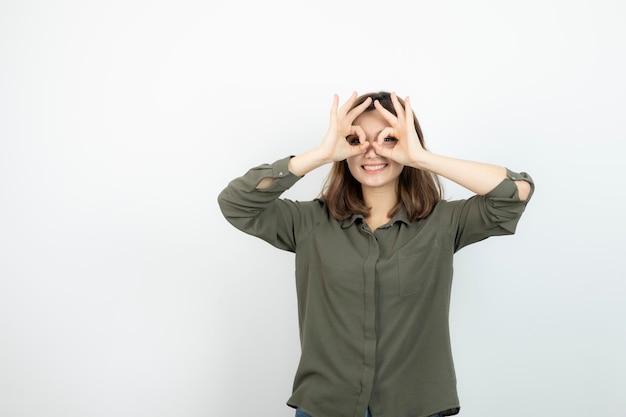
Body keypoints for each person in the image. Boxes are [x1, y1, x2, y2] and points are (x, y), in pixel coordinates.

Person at [218, 91, 534, 417]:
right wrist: (322, 154)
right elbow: (236, 203)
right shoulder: (308, 222)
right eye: (357, 139)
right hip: (324, 407)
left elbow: (515, 192)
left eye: (388, 139)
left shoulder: (443, 222)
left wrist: (422, 157)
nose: (372, 151)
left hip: (416, 407)